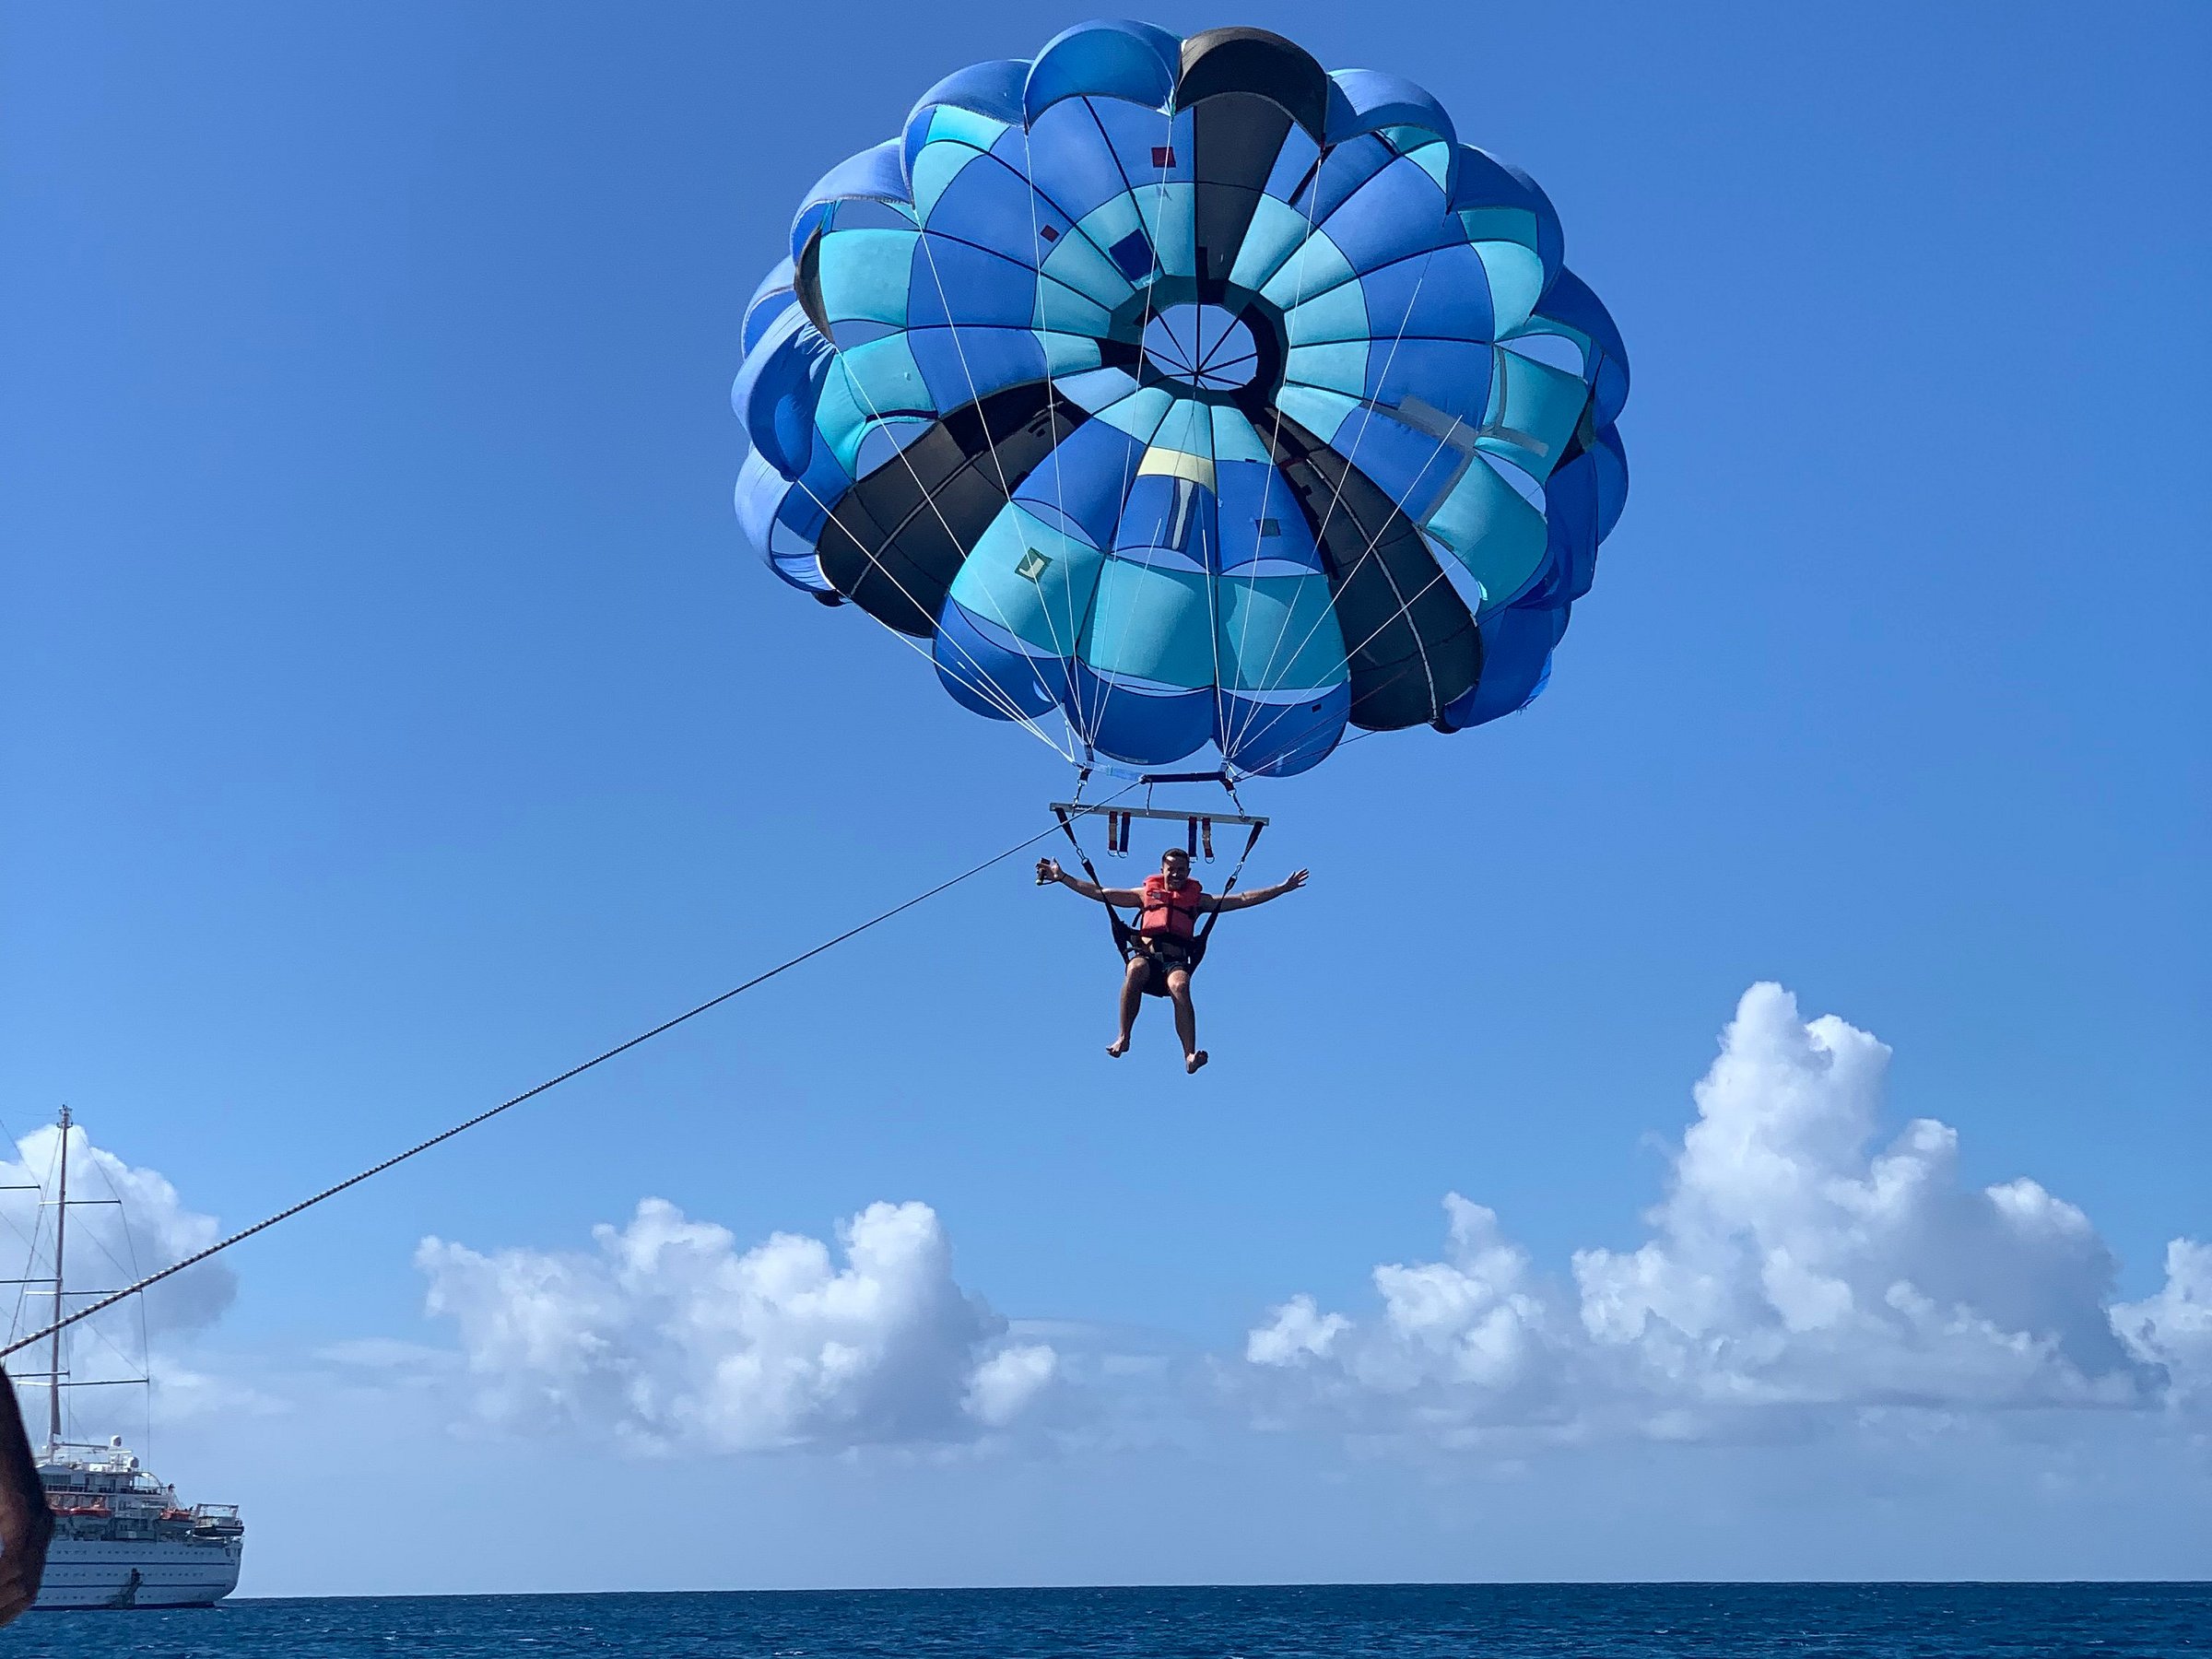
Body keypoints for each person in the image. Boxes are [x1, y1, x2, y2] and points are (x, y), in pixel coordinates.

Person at [1037, 846, 1309, 1073]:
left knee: (1180, 985)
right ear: (1162, 869)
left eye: (1181, 870)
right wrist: (1063, 877)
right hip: (1147, 954)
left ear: (1188, 872)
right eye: (1171, 869)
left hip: (1175, 962)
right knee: (1136, 968)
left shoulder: (1197, 900)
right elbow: (1100, 893)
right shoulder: (1144, 895)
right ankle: (1124, 1037)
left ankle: (1189, 1055)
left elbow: (1243, 898)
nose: (1176, 874)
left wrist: (1281, 889)